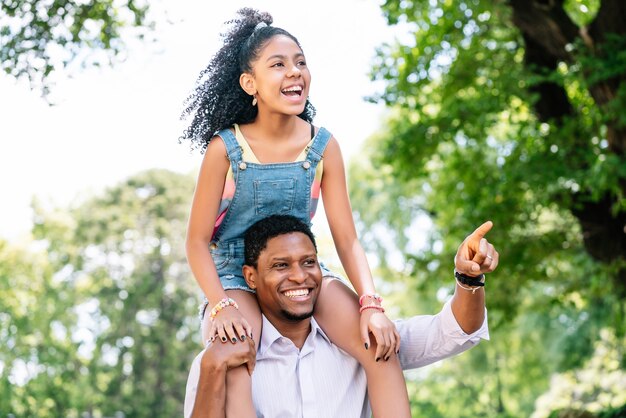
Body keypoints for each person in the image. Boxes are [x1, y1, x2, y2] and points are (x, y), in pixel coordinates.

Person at [181, 8, 411, 417]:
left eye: (301, 62)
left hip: (299, 267)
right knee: (237, 353)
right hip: (234, 273)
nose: (295, 72)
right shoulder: (225, 150)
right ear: (250, 83)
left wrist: (372, 306)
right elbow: (197, 242)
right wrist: (220, 306)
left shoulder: (322, 147)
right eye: (279, 64)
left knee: (377, 343)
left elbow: (346, 238)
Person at [184, 214, 497, 418]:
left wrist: (468, 279)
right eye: (281, 266)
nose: (299, 276)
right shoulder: (223, 357)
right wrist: (213, 365)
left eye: (308, 262)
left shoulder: (364, 341)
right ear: (251, 277)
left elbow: (456, 331)